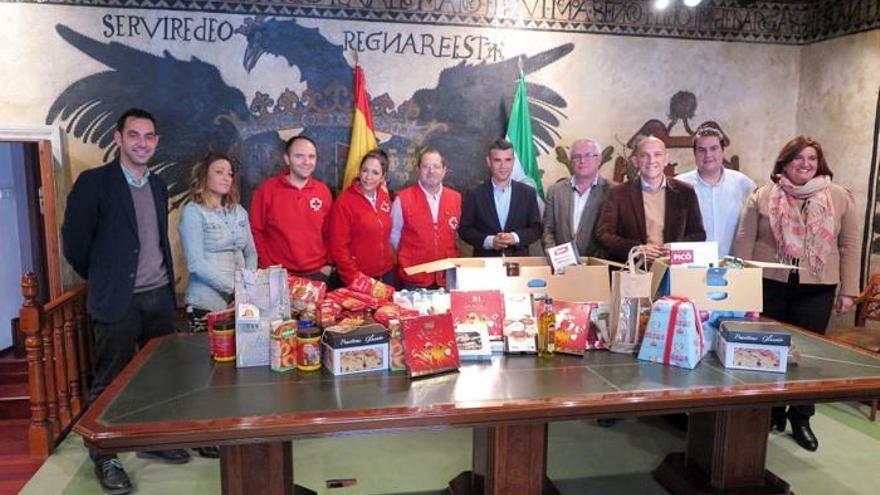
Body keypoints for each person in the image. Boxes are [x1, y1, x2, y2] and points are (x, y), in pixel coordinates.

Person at [62, 108, 190, 495]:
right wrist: (107, 278)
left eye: (149, 137)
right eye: (134, 135)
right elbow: (75, 245)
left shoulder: (157, 185)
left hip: (158, 297)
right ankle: (105, 456)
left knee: (155, 378)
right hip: (117, 300)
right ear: (118, 138)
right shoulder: (94, 183)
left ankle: (150, 440)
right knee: (110, 381)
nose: (142, 143)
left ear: (156, 141)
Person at [733, 135, 858, 452]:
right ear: (784, 162)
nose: (805, 164)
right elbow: (745, 240)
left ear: (820, 164)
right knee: (768, 351)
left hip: (817, 286)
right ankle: (771, 411)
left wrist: (849, 291)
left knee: (808, 358)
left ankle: (801, 417)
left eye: (812, 159)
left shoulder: (839, 196)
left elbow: (850, 247)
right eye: (798, 158)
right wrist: (737, 284)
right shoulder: (763, 195)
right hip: (769, 282)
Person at [596, 135, 706, 263]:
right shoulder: (618, 193)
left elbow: (698, 234)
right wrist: (636, 250)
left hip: (674, 270)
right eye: (644, 155)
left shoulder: (685, 192)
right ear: (636, 161)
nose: (651, 160)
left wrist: (677, 248)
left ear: (666, 159)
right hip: (633, 272)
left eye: (657, 154)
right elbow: (604, 234)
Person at [249, 135, 334, 283]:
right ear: (287, 159)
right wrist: (268, 266)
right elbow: (255, 230)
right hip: (279, 275)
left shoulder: (323, 191)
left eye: (311, 156)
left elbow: (330, 232)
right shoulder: (267, 189)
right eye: (299, 156)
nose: (306, 162)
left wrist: (328, 264)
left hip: (317, 273)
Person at [676, 125, 756, 258]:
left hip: (734, 267)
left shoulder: (744, 184)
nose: (708, 155)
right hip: (691, 268)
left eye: (713, 148)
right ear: (694, 153)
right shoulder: (679, 186)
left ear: (723, 151)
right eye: (701, 150)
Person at [391, 147, 461, 289]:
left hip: (447, 276)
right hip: (414, 276)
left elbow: (457, 234)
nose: (431, 171)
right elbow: (393, 236)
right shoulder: (402, 199)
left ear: (444, 170)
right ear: (418, 170)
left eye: (436, 167)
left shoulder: (456, 198)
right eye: (426, 167)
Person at [459, 138, 542, 257]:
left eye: (507, 160)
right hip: (485, 266)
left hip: (519, 266)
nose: (503, 166)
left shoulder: (527, 193)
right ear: (489, 162)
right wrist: (489, 241)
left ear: (513, 161)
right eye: (497, 160)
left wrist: (515, 237)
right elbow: (465, 230)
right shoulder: (474, 194)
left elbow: (536, 229)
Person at [329, 149, 395, 286]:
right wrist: (354, 279)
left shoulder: (384, 197)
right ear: (359, 171)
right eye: (365, 170)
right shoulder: (344, 202)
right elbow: (338, 247)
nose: (368, 177)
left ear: (383, 177)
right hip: (358, 278)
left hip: (386, 275)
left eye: (375, 172)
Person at [542, 138, 611, 257]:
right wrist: (555, 257)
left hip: (598, 266)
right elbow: (548, 230)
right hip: (561, 266)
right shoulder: (555, 191)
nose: (582, 161)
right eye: (576, 156)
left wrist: (596, 261)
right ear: (571, 161)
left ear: (599, 159)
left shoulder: (612, 191)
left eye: (588, 155)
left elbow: (613, 234)